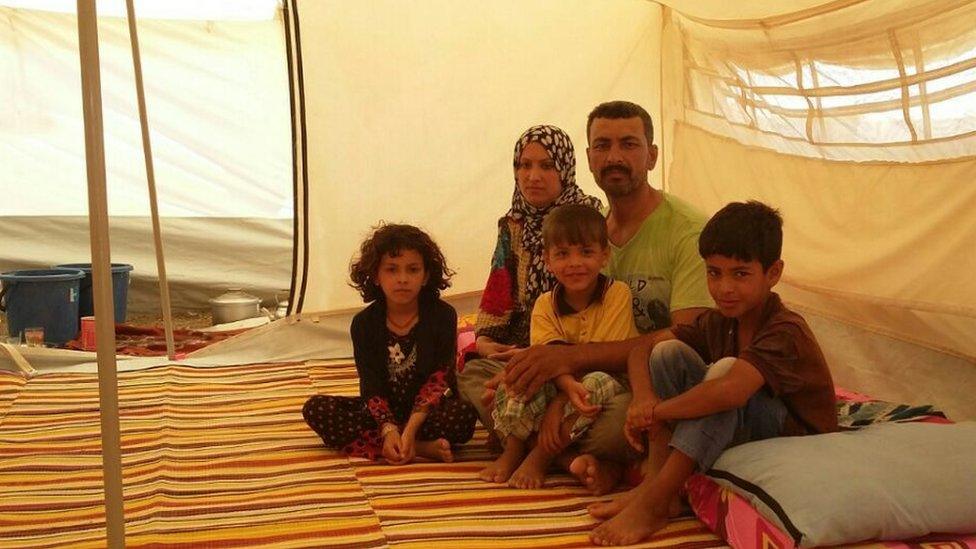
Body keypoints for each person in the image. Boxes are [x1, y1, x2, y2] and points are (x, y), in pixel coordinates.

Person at [587, 201, 838, 545]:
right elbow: (641, 349)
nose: (724, 288)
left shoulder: (785, 329)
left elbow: (731, 392)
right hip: (739, 419)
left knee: (723, 377)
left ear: (773, 273)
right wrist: (642, 401)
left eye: (740, 274)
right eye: (713, 273)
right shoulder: (720, 321)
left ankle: (655, 500)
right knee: (666, 353)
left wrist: (655, 412)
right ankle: (656, 482)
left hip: (797, 438)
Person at [498, 101, 714, 485]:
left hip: (648, 385)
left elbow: (688, 338)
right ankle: (581, 461)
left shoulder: (688, 231)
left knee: (618, 425)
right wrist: (533, 366)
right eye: (602, 146)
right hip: (583, 377)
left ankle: (558, 450)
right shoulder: (590, 233)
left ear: (652, 155)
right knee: (485, 378)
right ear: (588, 158)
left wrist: (564, 361)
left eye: (629, 144)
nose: (614, 156)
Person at [478, 205, 638, 493]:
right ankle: (514, 449)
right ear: (547, 261)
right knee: (517, 377)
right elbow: (546, 359)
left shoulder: (617, 294)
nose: (574, 263)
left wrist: (558, 404)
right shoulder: (544, 304)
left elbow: (601, 359)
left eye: (586, 252)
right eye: (563, 254)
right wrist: (558, 390)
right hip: (558, 381)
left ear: (604, 256)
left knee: (592, 387)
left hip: (608, 380)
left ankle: (541, 455)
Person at [457, 125, 602, 440]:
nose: (532, 175)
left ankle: (518, 439)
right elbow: (499, 289)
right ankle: (551, 447)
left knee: (578, 391)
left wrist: (544, 358)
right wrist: (484, 339)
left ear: (565, 168)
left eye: (546, 165)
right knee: (472, 376)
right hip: (519, 345)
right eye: (524, 165)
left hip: (574, 346)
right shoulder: (513, 224)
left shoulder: (588, 217)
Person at [302, 223, 478, 464]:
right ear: (376, 275)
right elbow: (371, 386)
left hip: (427, 414)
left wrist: (410, 428)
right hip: (380, 414)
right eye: (392, 270)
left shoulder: (443, 316)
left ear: (426, 275)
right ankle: (419, 449)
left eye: (413, 270)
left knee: (463, 416)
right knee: (317, 409)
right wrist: (389, 429)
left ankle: (404, 443)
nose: (402, 279)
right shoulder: (364, 323)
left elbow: (440, 380)